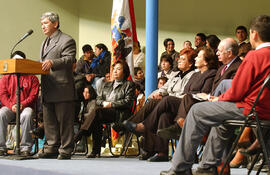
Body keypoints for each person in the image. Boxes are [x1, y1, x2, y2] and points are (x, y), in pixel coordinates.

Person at [160, 15, 270, 175]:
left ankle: (180, 168)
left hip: (252, 110)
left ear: (253, 34)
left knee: (197, 111)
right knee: (221, 121)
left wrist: (218, 99)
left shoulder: (254, 56)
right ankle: (208, 167)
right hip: (265, 110)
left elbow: (238, 91)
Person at [123, 48, 197, 162]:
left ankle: (140, 126)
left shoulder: (194, 75)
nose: (179, 61)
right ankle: (161, 152)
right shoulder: (176, 75)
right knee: (162, 114)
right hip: (169, 107)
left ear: (191, 63)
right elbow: (164, 88)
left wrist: (164, 97)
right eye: (179, 59)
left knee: (165, 101)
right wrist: (155, 94)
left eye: (183, 59)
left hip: (182, 106)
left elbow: (188, 95)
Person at [74, 60, 135, 158]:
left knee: (97, 112)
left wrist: (111, 104)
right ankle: (95, 151)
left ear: (124, 72)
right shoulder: (107, 84)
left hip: (119, 113)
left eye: (118, 69)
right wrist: (103, 103)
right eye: (114, 69)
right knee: (96, 118)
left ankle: (80, 134)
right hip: (104, 112)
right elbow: (98, 99)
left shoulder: (129, 85)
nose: (115, 71)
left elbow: (128, 102)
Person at [38, 12, 76, 160]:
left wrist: (53, 62)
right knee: (50, 121)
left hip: (62, 87)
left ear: (55, 23)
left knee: (64, 121)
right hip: (48, 87)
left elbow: (69, 59)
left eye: (45, 23)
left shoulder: (66, 40)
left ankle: (66, 149)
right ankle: (52, 147)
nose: (43, 26)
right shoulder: (44, 42)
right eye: (41, 24)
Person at [0, 51, 39, 156]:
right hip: (10, 107)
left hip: (26, 107)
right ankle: (1, 147)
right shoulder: (5, 78)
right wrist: (12, 105)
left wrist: (22, 104)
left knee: (27, 114)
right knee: (1, 114)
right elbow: (3, 95)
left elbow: (34, 96)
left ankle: (25, 148)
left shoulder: (32, 78)